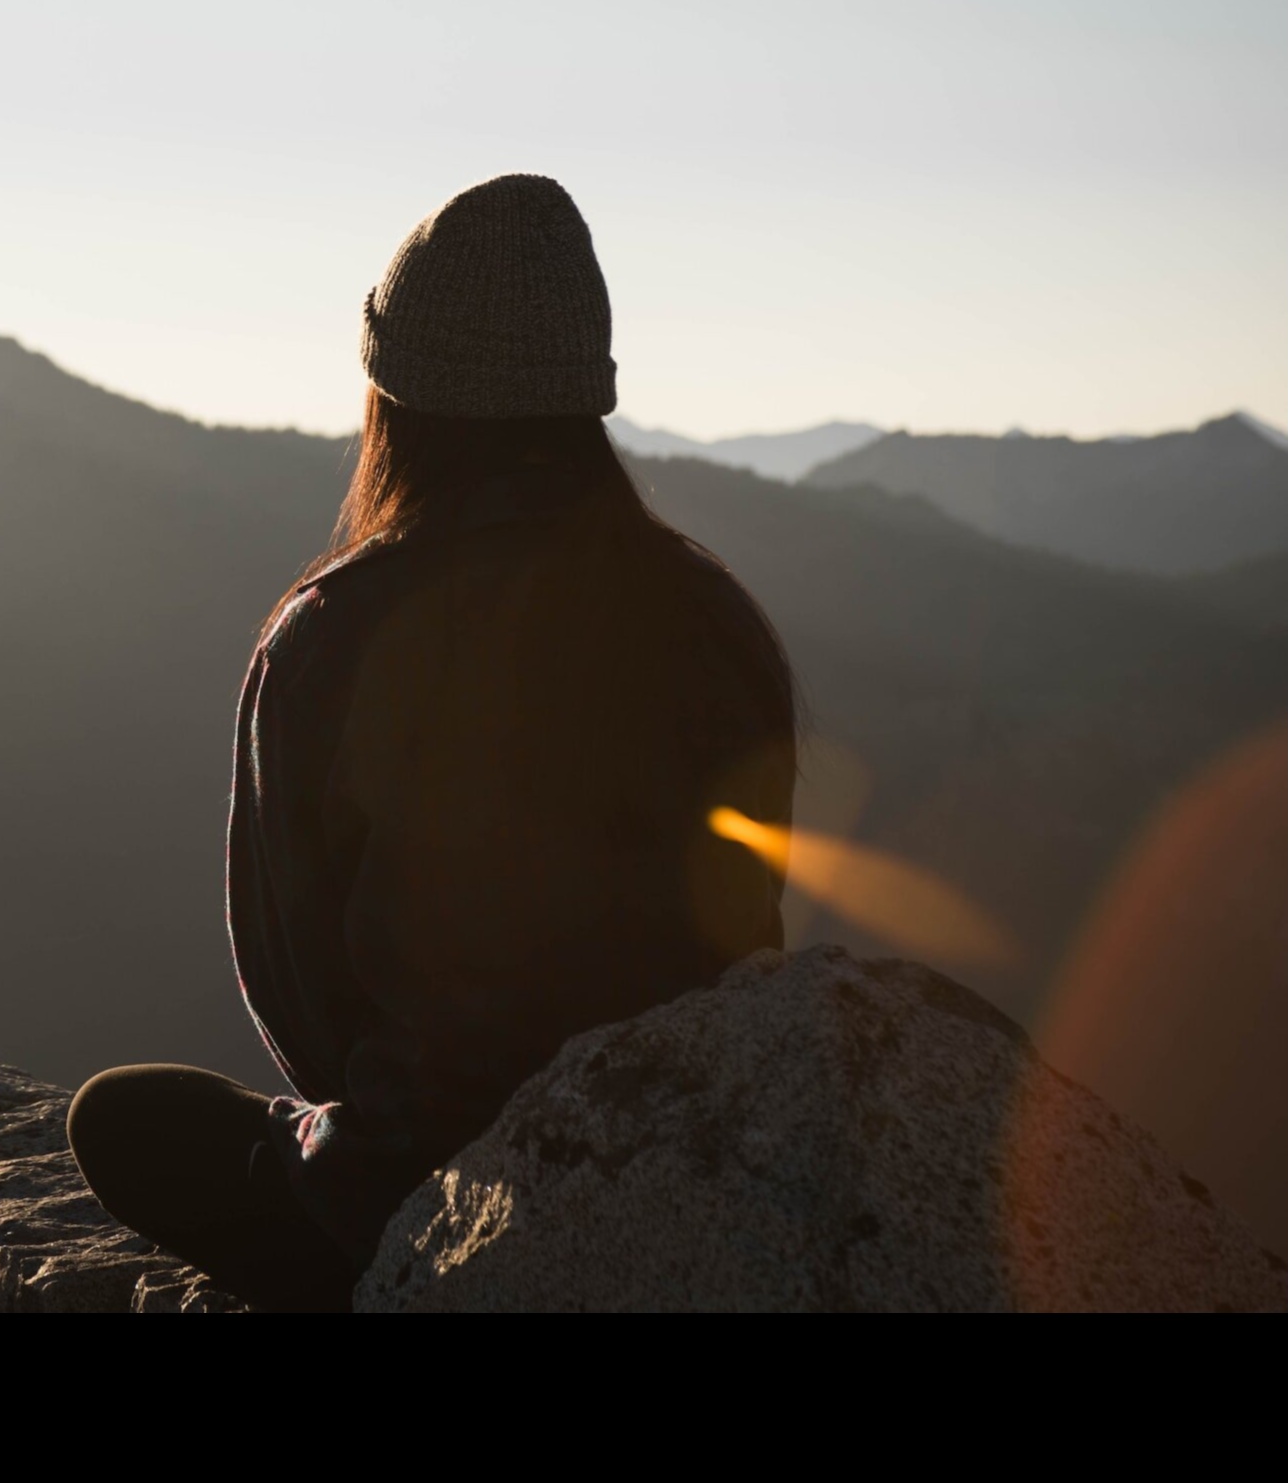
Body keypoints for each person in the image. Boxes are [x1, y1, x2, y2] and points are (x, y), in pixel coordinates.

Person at [68, 173, 798, 1310]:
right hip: (684, 1155)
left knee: (123, 1118)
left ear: (394, 395)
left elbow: (294, 977)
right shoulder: (711, 619)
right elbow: (748, 921)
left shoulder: (331, 632)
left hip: (427, 1187)